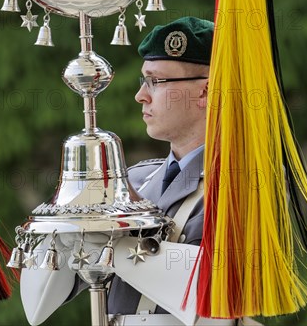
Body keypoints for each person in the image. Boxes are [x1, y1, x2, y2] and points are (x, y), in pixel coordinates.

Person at [20, 17, 255, 325]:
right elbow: (37, 306)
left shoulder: (245, 183)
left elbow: (214, 289)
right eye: (143, 81)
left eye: (155, 81)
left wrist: (111, 244)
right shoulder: (136, 181)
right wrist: (64, 221)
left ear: (205, 92)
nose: (141, 96)